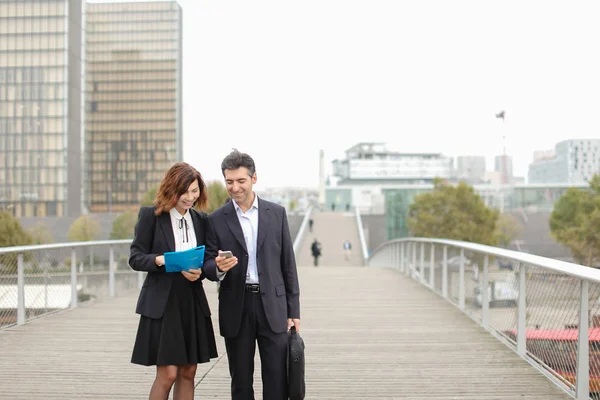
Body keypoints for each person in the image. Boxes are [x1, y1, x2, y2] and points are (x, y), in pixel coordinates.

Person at [203, 150, 300, 400]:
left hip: (274, 307)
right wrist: (218, 268)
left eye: (240, 181)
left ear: (254, 178)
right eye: (229, 181)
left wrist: (294, 311)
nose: (234, 188)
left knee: (277, 381)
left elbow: (288, 264)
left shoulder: (276, 213)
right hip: (237, 307)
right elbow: (207, 266)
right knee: (241, 383)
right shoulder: (215, 220)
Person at [129, 162, 218, 400]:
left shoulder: (201, 220)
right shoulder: (151, 216)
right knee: (168, 374)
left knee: (188, 371)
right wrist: (162, 260)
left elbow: (207, 259)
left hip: (191, 300)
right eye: (185, 191)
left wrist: (203, 269)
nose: (190, 197)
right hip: (163, 303)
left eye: (195, 191)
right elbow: (136, 258)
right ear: (171, 188)